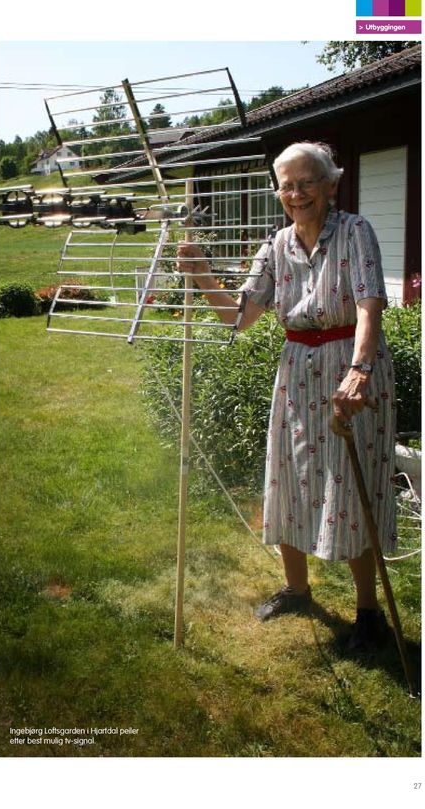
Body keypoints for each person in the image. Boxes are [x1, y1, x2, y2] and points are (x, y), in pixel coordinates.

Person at [177, 140, 397, 650]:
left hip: (349, 366)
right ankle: (297, 588)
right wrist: (201, 272)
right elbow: (240, 317)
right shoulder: (276, 246)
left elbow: (369, 307)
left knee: (352, 478)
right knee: (290, 474)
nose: (296, 193)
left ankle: (369, 613)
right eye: (288, 185)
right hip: (297, 370)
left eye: (307, 182)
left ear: (330, 185)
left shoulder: (355, 232)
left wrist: (360, 370)